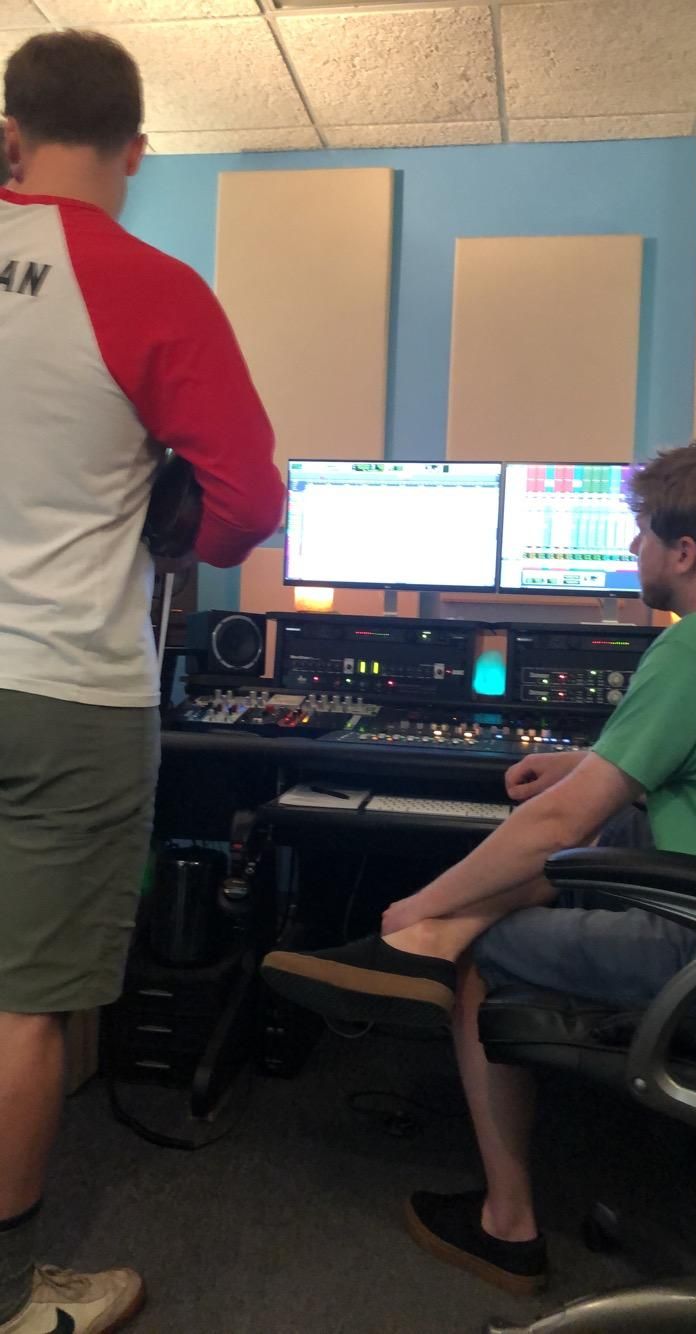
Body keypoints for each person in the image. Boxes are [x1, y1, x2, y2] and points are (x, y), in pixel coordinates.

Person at [263, 438, 696, 1294]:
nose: (631, 548)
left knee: (496, 941)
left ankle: (506, 1224)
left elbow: (556, 823)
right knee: (614, 825)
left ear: (684, 553)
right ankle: (432, 942)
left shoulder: (693, 652)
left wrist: (419, 900)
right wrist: (591, 761)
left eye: (641, 534)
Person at [0, 29, 284, 1334]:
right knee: (23, 1006)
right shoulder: (150, 285)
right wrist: (174, 532)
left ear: (12, 132)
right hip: (67, 688)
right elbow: (247, 506)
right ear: (138, 149)